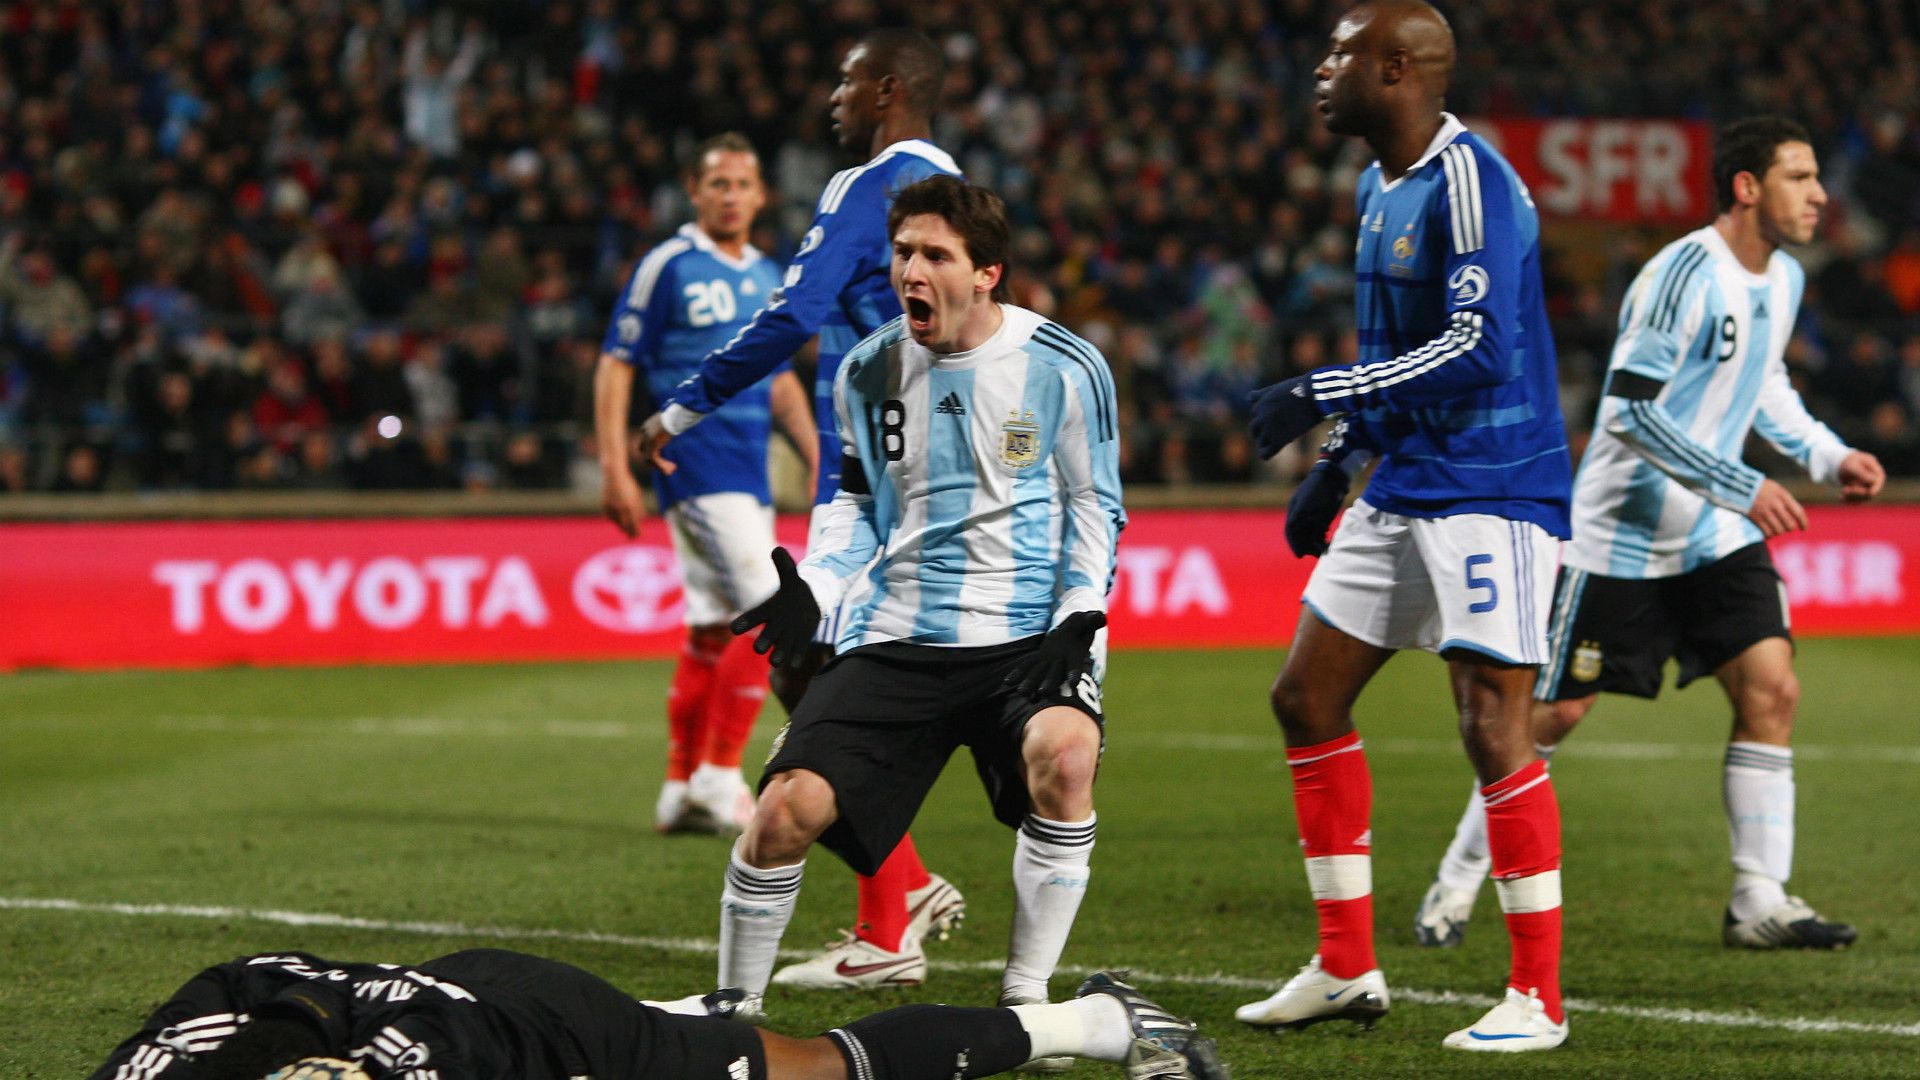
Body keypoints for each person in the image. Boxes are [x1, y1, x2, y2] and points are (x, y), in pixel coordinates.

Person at [1412, 116, 1885, 954]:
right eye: (1800, 177)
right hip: (1620, 535)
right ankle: (1455, 881)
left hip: (1713, 531)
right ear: (1747, 187)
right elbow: (1630, 414)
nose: (1820, 195)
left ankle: (1758, 900)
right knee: (1554, 714)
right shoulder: (1682, 274)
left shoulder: (1783, 278)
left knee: (1772, 688)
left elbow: (1763, 382)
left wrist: (1829, 452)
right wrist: (1742, 483)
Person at [1235, 0, 1574, 1052]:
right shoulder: (1376, 185)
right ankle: (1345, 967)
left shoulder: (1472, 179)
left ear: (1395, 69)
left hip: (1493, 484)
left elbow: (1479, 345)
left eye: (1339, 55)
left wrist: (1322, 391)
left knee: (1492, 722)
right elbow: (1399, 354)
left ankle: (1537, 999)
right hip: (1410, 478)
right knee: (1305, 697)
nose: (1321, 71)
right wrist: (1340, 462)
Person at [719, 176, 1124, 1050]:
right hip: (899, 632)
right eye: (903, 252)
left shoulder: (1064, 365)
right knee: (784, 810)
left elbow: (1096, 507)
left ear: (986, 273)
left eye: (936, 255)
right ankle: (732, 1009)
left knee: (1066, 755)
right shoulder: (868, 369)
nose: (911, 270)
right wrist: (815, 585)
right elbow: (857, 503)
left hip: (1026, 639)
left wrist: (1080, 613)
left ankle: (1025, 997)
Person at [635, 30, 968, 991]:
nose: (833, 96)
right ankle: (897, 900)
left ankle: (895, 917)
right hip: (924, 471)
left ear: (887, 90)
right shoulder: (958, 193)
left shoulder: (870, 187)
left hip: (872, 482)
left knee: (818, 677)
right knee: (812, 667)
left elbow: (793, 312)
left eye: (847, 80)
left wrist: (682, 405)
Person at [594, 132, 816, 835]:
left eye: (742, 184)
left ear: (761, 195)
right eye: (717, 183)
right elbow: (616, 362)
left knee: (713, 630)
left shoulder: (769, 273)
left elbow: (778, 378)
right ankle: (721, 779)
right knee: (773, 613)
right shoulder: (668, 265)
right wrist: (614, 465)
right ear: (694, 191)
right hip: (695, 462)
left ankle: (680, 787)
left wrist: (816, 455)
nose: (730, 196)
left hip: (748, 469)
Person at [87, 947, 1224, 1080]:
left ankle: (1095, 1021)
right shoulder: (201, 1021)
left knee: (809, 1070)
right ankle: (691, 1012)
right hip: (461, 981)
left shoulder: (431, 1072)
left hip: (556, 1034)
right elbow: (251, 981)